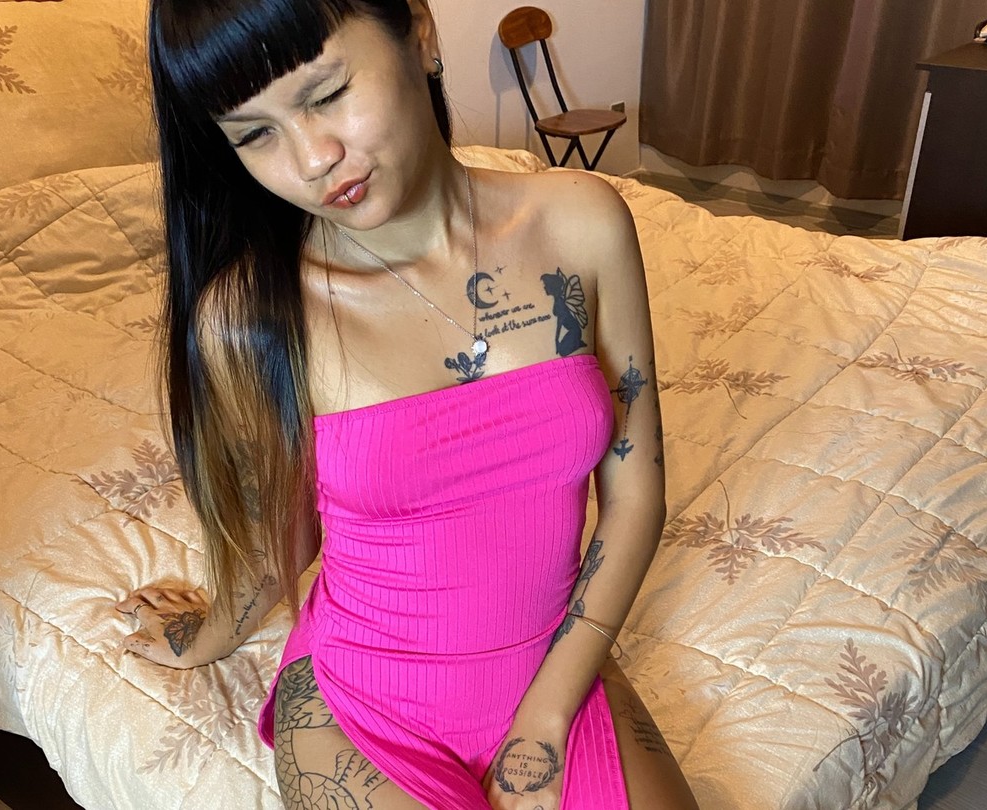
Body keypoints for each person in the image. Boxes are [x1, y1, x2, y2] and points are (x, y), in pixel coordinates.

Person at [116, 1, 699, 807]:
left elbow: (635, 498)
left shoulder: (583, 222)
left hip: (554, 667)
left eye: (326, 93)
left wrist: (548, 714)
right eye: (254, 134)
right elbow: (276, 544)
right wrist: (203, 636)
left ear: (419, 33)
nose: (313, 159)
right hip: (361, 705)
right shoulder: (250, 317)